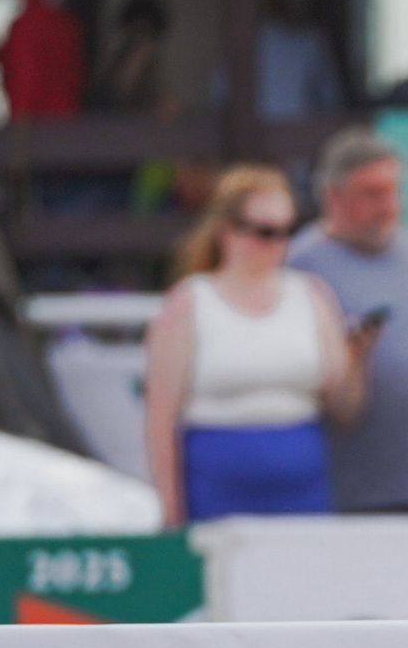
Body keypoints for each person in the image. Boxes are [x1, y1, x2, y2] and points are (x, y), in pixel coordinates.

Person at [142, 166, 373, 523]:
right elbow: (160, 417)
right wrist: (170, 508)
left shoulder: (312, 295)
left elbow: (341, 405)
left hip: (301, 486)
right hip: (216, 486)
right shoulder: (190, 302)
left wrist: (356, 358)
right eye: (266, 232)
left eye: (287, 231)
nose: (279, 244)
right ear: (227, 232)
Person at [289, 128, 408, 513]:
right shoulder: (302, 265)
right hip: (359, 487)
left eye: (394, 191)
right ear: (333, 196)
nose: (388, 205)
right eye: (372, 194)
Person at [0, 0, 85, 121]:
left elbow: (25, 79)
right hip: (65, 120)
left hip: (38, 123)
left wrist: (20, 124)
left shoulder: (28, 24)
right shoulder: (61, 17)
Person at [95, 0, 175, 116]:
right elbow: (118, 97)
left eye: (147, 34)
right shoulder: (114, 65)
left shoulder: (153, 67)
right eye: (138, 31)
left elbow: (166, 106)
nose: (142, 40)